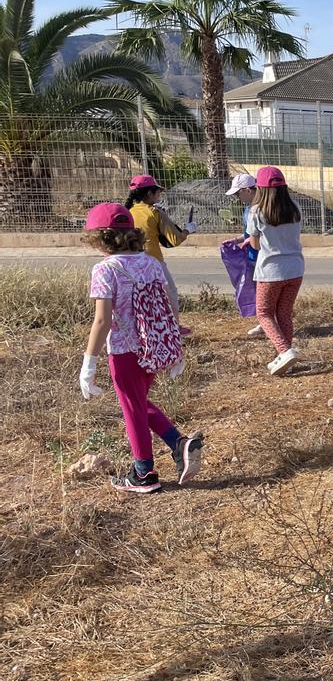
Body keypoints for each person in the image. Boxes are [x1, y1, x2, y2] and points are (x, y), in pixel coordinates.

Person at [79, 202, 203, 493]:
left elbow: (102, 320)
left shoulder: (105, 269)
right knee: (138, 402)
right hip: (153, 348)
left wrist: (89, 363)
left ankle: (144, 473)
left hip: (124, 351)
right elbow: (170, 304)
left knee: (133, 409)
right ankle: (179, 444)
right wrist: (175, 343)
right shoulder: (150, 262)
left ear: (100, 238)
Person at [242, 166, 304, 375]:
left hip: (270, 271)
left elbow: (255, 245)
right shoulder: (295, 208)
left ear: (260, 188)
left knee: (264, 313)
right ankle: (285, 360)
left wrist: (255, 241)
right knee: (284, 314)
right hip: (295, 269)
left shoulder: (256, 211)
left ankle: (285, 351)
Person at [126, 174, 195, 331]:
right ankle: (174, 327)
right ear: (149, 193)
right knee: (170, 293)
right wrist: (188, 229)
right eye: (158, 192)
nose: (159, 195)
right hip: (153, 260)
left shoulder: (127, 212)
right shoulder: (155, 212)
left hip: (130, 261)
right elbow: (174, 240)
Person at [226, 172, 263, 337]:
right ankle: (264, 321)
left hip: (262, 256)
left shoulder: (261, 209)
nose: (237, 197)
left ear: (248, 190)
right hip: (252, 256)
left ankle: (268, 322)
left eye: (238, 193)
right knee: (258, 291)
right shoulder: (248, 209)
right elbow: (249, 234)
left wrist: (249, 241)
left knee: (264, 292)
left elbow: (261, 235)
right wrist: (236, 240)